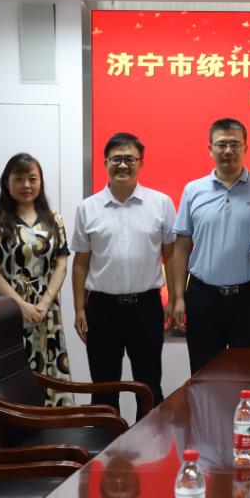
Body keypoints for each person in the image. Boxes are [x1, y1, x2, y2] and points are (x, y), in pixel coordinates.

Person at [71, 132, 176, 410]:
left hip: (146, 307)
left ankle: (149, 439)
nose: (122, 165)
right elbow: (80, 262)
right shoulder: (87, 208)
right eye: (116, 159)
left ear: (140, 163)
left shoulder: (161, 203)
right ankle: (107, 439)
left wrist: (175, 299)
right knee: (104, 389)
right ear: (106, 162)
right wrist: (79, 308)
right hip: (101, 309)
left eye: (129, 159)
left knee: (149, 387)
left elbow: (171, 255)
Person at [171, 119, 250, 374]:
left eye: (234, 144)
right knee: (204, 375)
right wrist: (178, 297)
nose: (228, 151)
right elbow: (182, 247)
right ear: (210, 149)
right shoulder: (193, 190)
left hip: (249, 298)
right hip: (203, 296)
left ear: (245, 148)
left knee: (249, 374)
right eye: (221, 144)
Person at [0, 153, 73, 406]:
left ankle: (49, 425)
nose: (26, 185)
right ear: (7, 182)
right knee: (6, 372)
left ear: (40, 182)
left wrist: (44, 303)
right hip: (5, 307)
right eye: (19, 179)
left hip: (45, 310)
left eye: (32, 178)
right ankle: (12, 425)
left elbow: (61, 264)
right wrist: (20, 305)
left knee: (47, 369)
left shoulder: (54, 220)